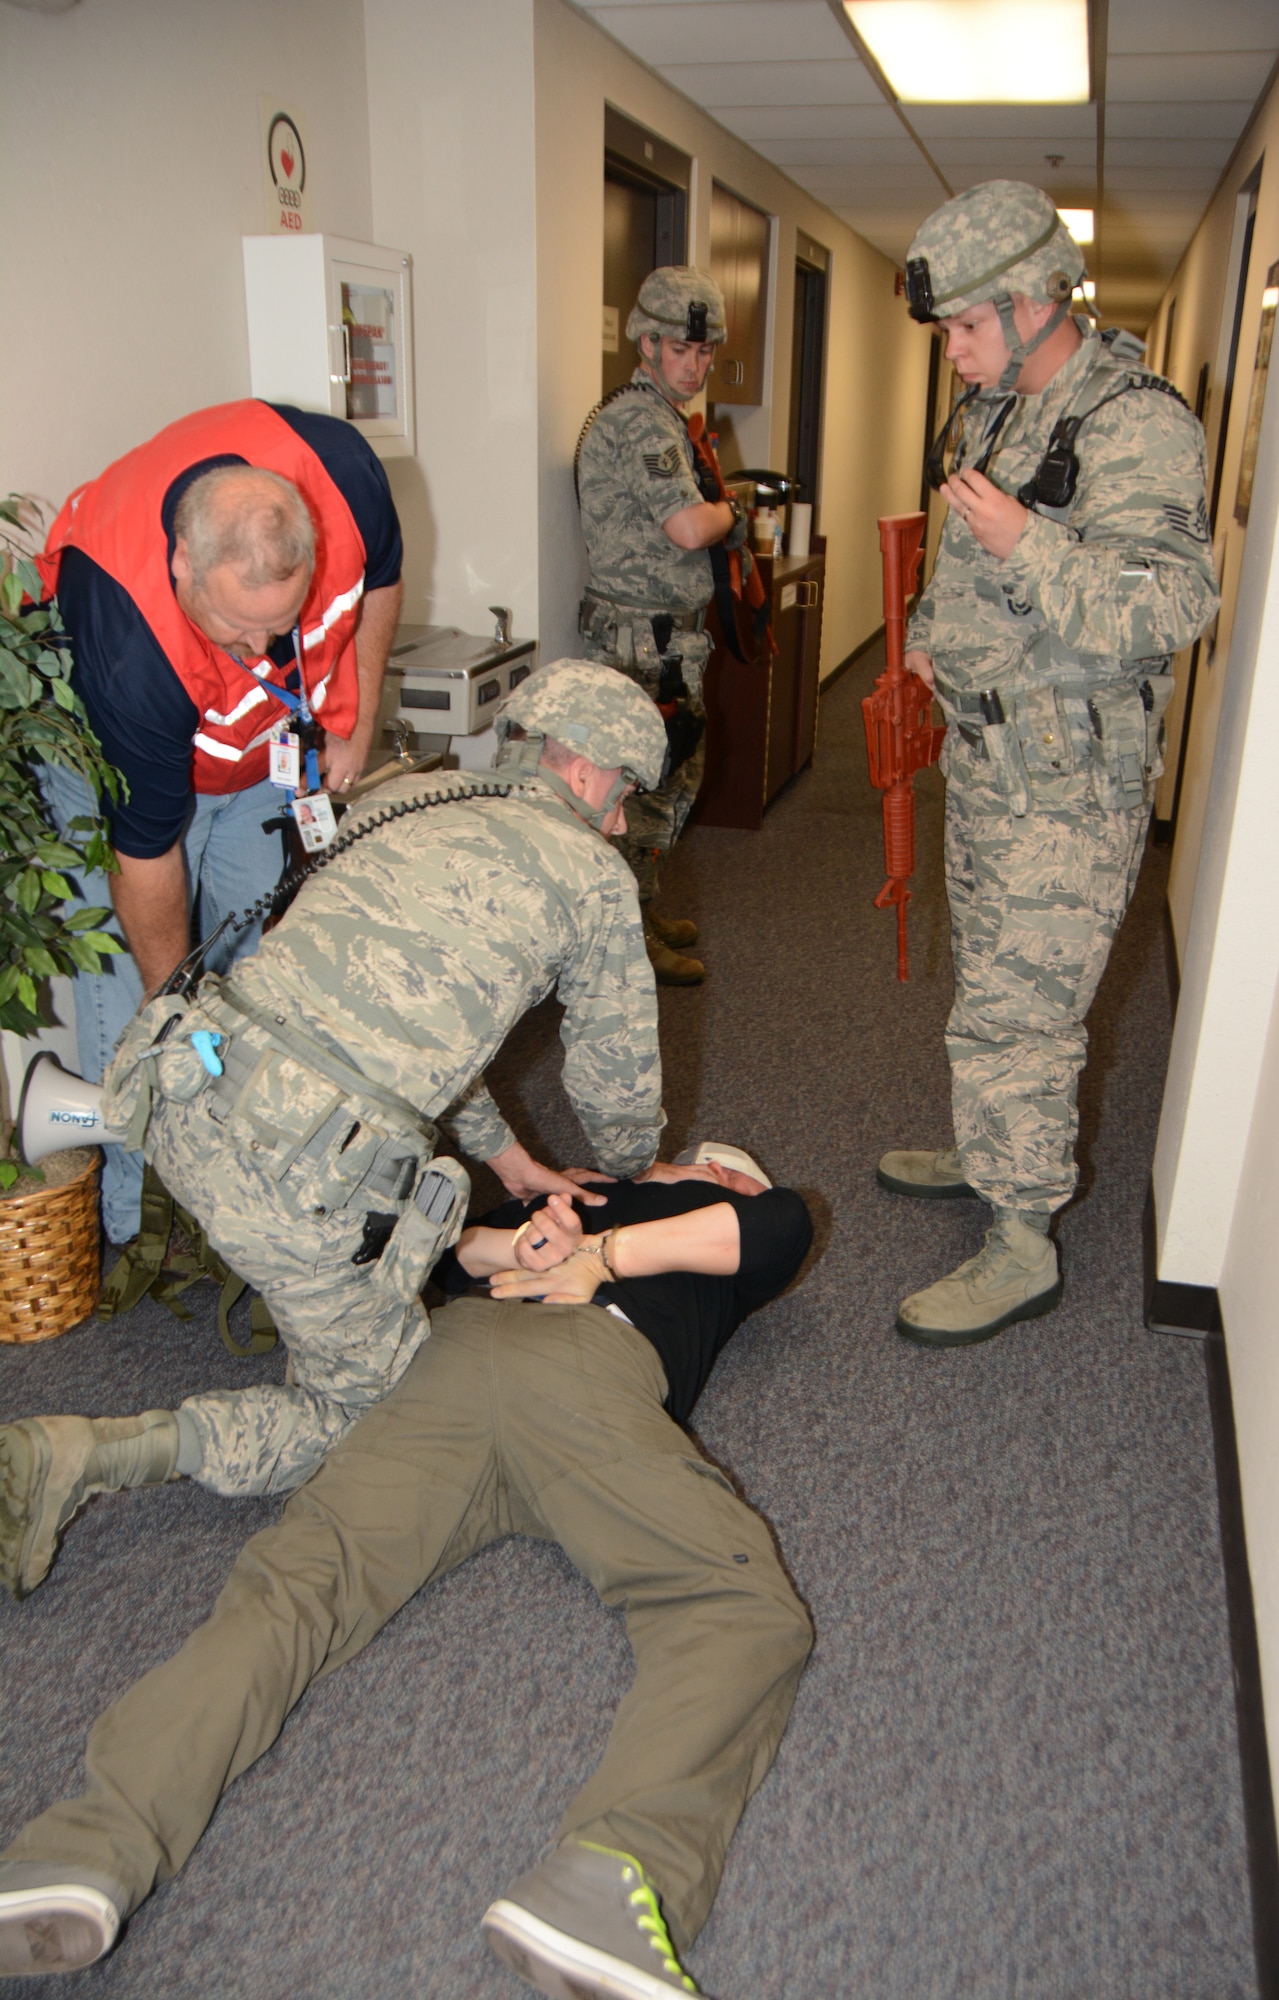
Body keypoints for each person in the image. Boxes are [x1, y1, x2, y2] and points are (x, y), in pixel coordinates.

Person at [0, 1147, 814, 2000]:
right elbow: (452, 1255)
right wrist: (529, 1243)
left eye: (711, 1165)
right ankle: (612, 1882)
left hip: (475, 1377)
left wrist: (595, 1257)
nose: (690, 1162)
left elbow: (773, 1227)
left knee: (301, 1587)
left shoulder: (709, 1233)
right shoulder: (582, 1195)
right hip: (548, 1369)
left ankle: (83, 1847)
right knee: (735, 1608)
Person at [0, 661, 672, 1597]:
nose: (616, 822)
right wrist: (640, 1170)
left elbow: (406, 1019)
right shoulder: (595, 879)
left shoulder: (409, 796)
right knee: (375, 1409)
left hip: (183, 1104)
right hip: (295, 1186)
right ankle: (90, 1452)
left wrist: (506, 1157)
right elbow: (615, 1089)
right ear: (595, 773)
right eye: (625, 796)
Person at [877, 181, 1219, 1347]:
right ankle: (992, 1151)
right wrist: (928, 642)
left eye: (967, 328)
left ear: (1033, 304)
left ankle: (1021, 1240)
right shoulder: (994, 404)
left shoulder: (1135, 421)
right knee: (991, 984)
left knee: (1029, 1015)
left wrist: (1031, 544)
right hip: (985, 760)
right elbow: (958, 558)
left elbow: (1172, 601)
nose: (954, 353)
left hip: (1067, 783)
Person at [34, 401, 405, 1244]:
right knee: (142, 1000)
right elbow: (146, 855)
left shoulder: (344, 474)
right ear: (182, 564)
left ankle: (232, 1202)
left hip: (250, 753)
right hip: (129, 762)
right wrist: (176, 1008)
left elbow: (380, 579)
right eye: (236, 627)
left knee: (248, 968)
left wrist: (357, 715)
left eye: (279, 626)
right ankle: (141, 1227)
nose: (258, 651)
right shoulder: (125, 634)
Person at [576, 267, 747, 986]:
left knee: (661, 783)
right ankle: (628, 941)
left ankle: (641, 913)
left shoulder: (658, 415)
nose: (696, 364)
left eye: (705, 353)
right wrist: (732, 511)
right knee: (647, 793)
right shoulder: (641, 422)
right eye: (682, 349)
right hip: (644, 641)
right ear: (645, 343)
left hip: (661, 635)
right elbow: (685, 526)